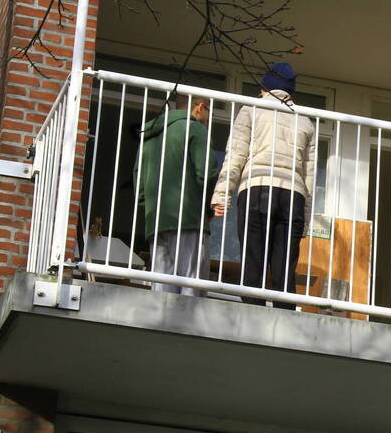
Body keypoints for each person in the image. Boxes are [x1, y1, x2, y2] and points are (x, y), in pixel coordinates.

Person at [211, 62, 316, 308]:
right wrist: (307, 217)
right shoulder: (306, 121)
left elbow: (235, 155)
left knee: (253, 262)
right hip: (293, 195)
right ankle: (285, 319)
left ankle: (251, 318)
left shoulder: (252, 110)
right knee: (284, 268)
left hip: (257, 187)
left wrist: (221, 194)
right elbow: (309, 173)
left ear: (265, 87)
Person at [135, 94, 219, 296]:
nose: (208, 118)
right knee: (191, 289)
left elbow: (139, 186)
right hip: (188, 218)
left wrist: (152, 210)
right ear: (200, 107)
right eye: (209, 112)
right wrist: (209, 209)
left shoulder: (150, 135)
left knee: (162, 291)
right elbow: (207, 174)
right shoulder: (196, 129)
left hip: (155, 221)